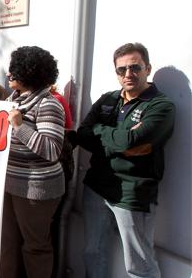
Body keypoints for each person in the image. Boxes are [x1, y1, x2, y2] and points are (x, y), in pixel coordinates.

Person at [75, 43, 175, 278]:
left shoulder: (161, 105)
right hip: (96, 187)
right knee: (93, 252)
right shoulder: (108, 99)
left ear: (147, 68)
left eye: (135, 67)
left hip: (132, 194)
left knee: (139, 263)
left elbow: (128, 141)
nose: (128, 74)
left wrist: (104, 134)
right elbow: (83, 135)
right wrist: (119, 139)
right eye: (122, 70)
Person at [0, 46, 65, 278]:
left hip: (36, 190)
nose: (9, 75)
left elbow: (52, 149)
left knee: (35, 247)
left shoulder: (48, 104)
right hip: (8, 184)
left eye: (15, 72)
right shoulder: (12, 100)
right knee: (6, 241)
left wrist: (19, 126)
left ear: (30, 74)